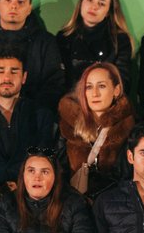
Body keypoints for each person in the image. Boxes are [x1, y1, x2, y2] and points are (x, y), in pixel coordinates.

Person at [0, 47, 56, 200]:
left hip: (30, 198)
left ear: (24, 77)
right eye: (0, 71)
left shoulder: (41, 115)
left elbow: (46, 157)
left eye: (14, 71)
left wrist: (22, 186)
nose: (7, 78)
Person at [58, 62, 135, 199]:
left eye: (102, 86)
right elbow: (58, 167)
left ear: (116, 90)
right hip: (73, 204)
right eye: (89, 87)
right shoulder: (68, 124)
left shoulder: (129, 127)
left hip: (114, 204)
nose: (95, 93)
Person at [56, 0, 134, 95]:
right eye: (90, 0)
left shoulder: (119, 40)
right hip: (70, 102)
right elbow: (58, 81)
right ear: (81, 3)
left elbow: (122, 83)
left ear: (108, 12)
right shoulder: (63, 37)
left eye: (101, 3)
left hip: (105, 105)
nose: (94, 7)